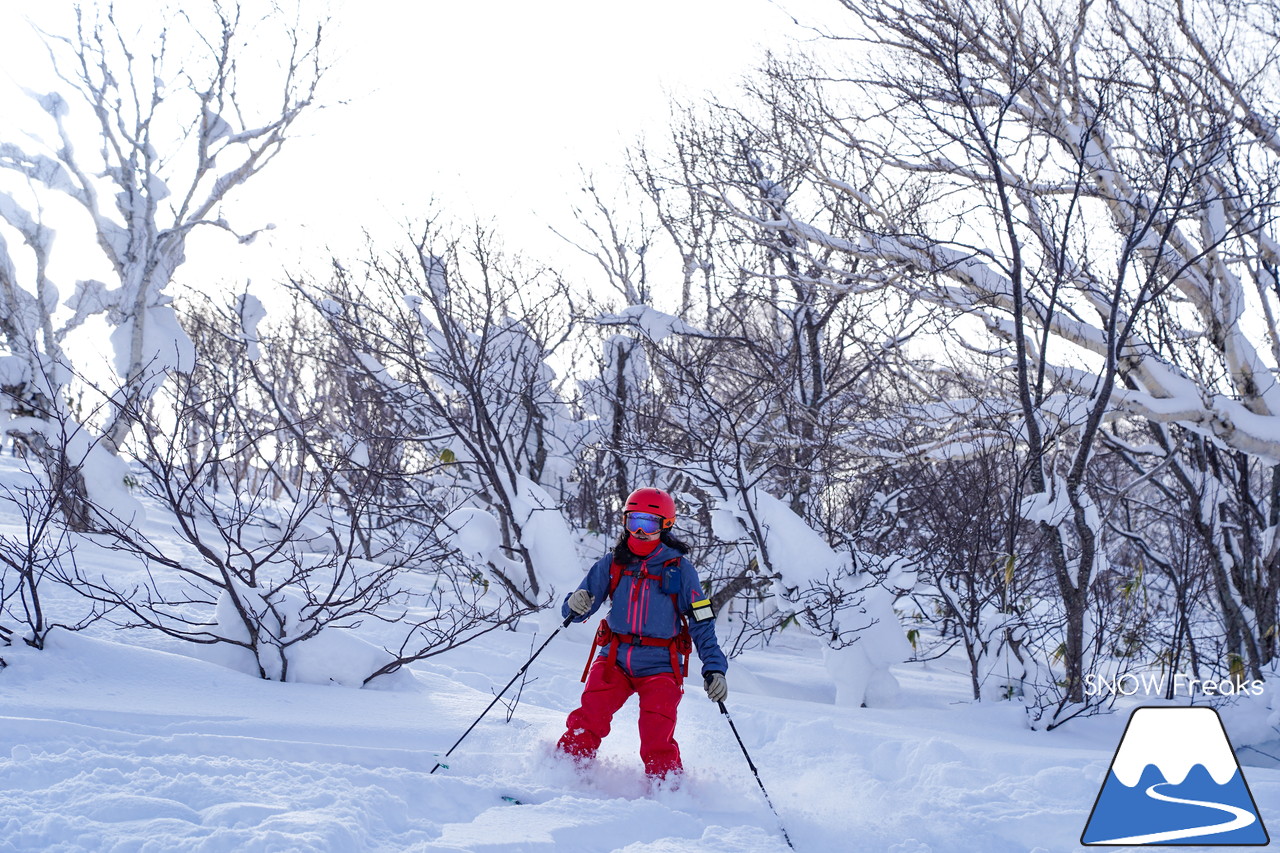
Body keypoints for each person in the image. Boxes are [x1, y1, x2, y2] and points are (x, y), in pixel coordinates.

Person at [556, 487, 728, 784]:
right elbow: (578, 607)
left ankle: (668, 792)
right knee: (588, 719)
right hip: (615, 659)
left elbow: (701, 621)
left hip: (661, 664)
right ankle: (562, 774)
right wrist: (574, 604)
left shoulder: (681, 569)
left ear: (666, 525)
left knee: (656, 736)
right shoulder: (613, 563)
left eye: (649, 523)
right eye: (633, 520)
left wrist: (714, 668)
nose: (639, 530)